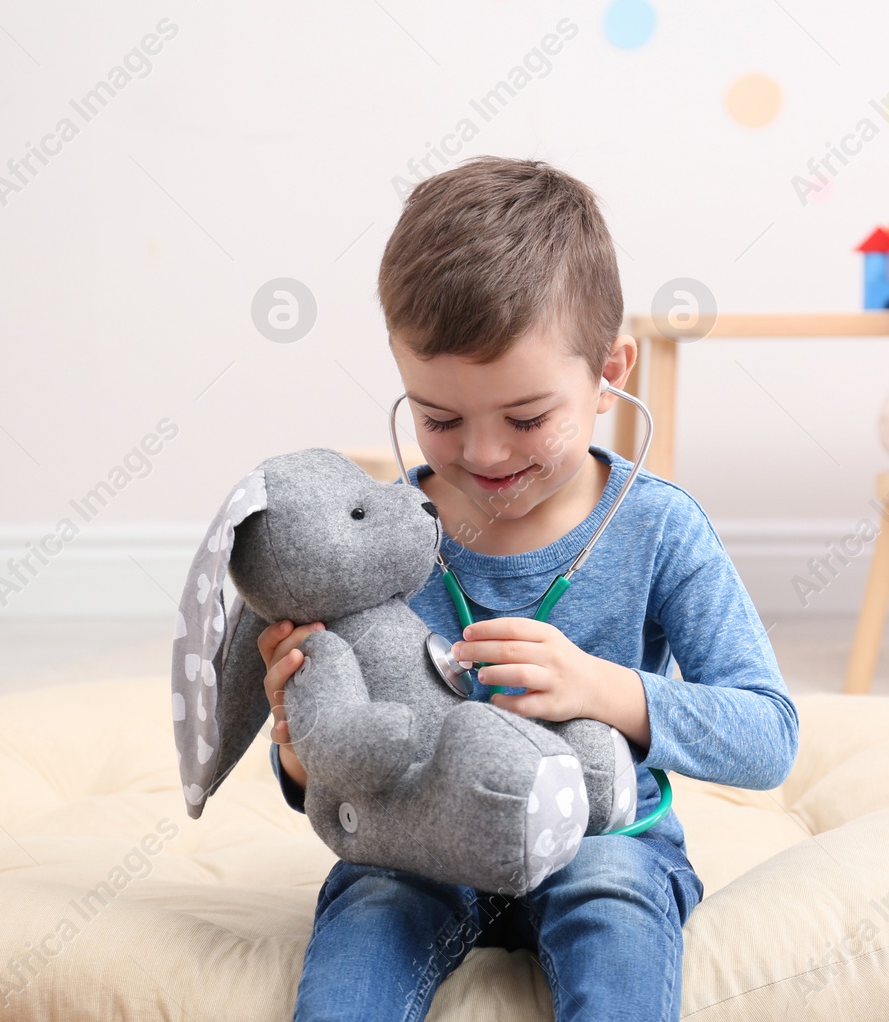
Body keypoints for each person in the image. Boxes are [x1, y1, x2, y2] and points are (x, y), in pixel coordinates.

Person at [259, 155, 799, 1021]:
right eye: (438, 418)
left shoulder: (659, 529)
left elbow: (769, 734)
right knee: (369, 908)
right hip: (420, 841)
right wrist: (299, 745)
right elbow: (328, 770)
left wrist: (606, 691)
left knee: (617, 904)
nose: (483, 454)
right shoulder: (377, 545)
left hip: (605, 839)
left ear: (610, 372)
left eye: (526, 418)